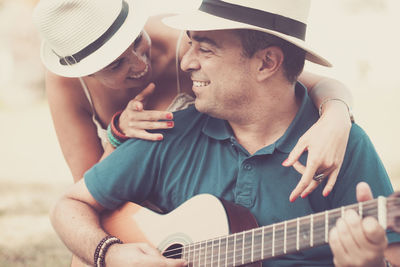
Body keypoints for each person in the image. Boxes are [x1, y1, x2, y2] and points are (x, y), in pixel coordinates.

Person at [48, 0, 400, 266]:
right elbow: (72, 204)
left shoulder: (340, 146)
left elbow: (391, 252)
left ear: (266, 63)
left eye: (205, 48)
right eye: (191, 44)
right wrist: (110, 253)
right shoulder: (168, 133)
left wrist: (370, 262)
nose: (186, 63)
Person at [32, 0, 355, 201]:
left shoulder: (185, 42)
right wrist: (116, 135)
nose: (139, 63)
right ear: (84, 73)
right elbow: (88, 188)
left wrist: (335, 119)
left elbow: (291, 77)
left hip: (203, 196)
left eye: (135, 40)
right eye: (116, 64)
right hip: (137, 205)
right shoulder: (67, 85)